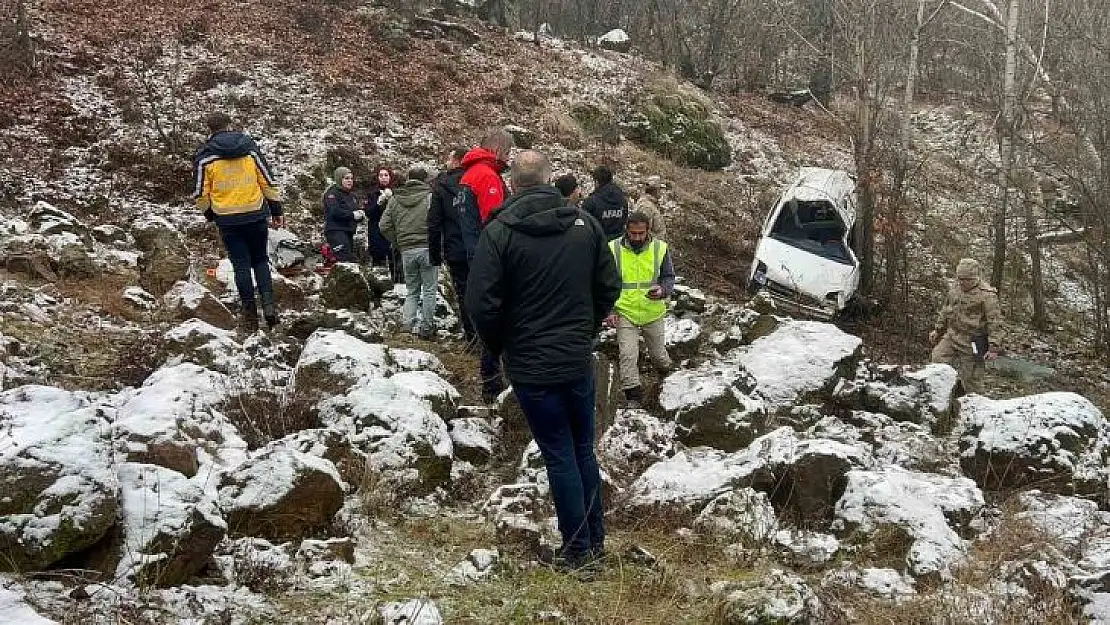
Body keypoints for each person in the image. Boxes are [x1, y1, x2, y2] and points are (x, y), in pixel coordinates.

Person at [466, 149, 621, 571]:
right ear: (550, 180)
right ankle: (593, 543)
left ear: (513, 183)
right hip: (574, 358)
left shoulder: (499, 232)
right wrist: (584, 328)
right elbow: (609, 285)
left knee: (560, 453)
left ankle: (578, 552)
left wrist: (500, 345)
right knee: (582, 450)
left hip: (533, 363)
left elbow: (481, 303)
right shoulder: (584, 225)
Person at [191, 112, 283, 332]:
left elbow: (200, 193)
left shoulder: (205, 156)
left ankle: (250, 314)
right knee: (260, 260)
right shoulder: (249, 147)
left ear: (209, 129)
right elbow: (267, 180)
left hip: (228, 218)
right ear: (230, 126)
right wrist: (276, 209)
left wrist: (210, 214)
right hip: (255, 212)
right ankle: (270, 309)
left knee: (240, 264)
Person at [459, 128, 514, 401]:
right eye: (508, 152)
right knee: (498, 320)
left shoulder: (467, 174)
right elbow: (496, 225)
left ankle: (492, 381)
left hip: (474, 257)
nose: (509, 158)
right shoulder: (486, 176)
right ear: (498, 150)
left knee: (488, 319)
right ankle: (494, 384)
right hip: (490, 261)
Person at [607, 211, 675, 406]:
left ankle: (666, 374)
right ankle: (633, 397)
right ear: (626, 230)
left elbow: (669, 277)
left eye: (641, 233)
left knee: (658, 355)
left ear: (648, 231)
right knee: (628, 354)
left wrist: (663, 290)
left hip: (652, 311)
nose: (637, 237)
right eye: (633, 233)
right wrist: (610, 310)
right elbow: (604, 282)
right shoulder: (613, 249)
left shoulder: (660, 249)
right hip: (625, 311)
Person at [929, 258, 1003, 394]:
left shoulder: (987, 295)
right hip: (952, 335)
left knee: (972, 380)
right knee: (937, 360)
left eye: (966, 279)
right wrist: (938, 329)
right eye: (960, 278)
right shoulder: (955, 289)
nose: (962, 282)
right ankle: (942, 395)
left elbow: (995, 322)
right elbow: (946, 309)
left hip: (972, 341)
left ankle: (976, 406)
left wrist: (993, 348)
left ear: (975, 278)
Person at [380, 167, 438, 339]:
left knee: (412, 290)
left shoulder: (395, 199)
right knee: (429, 290)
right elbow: (437, 223)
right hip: (427, 248)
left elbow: (383, 226)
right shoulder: (430, 198)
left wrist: (398, 242)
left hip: (407, 250)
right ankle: (426, 328)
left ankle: (407, 324)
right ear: (424, 180)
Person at [428, 147, 475, 343]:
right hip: (479, 246)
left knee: (464, 293)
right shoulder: (476, 181)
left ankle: (472, 337)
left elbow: (433, 223)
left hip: (455, 249)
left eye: (448, 158)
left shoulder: (442, 186)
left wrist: (435, 254)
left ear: (456, 161)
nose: (446, 162)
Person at [366, 166, 402, 282]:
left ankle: (398, 285)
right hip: (376, 232)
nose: (383, 178)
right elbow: (369, 213)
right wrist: (378, 202)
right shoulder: (372, 194)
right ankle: (378, 287)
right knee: (378, 262)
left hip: (393, 233)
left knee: (395, 262)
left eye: (386, 175)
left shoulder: (397, 193)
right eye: (381, 175)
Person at [322, 167, 364, 262]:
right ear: (339, 179)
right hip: (336, 231)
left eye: (351, 178)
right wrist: (352, 215)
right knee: (345, 259)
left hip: (349, 231)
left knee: (349, 260)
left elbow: (355, 211)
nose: (350, 181)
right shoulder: (332, 193)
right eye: (346, 178)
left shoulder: (352, 196)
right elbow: (334, 211)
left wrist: (360, 215)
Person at [581, 165, 628, 241]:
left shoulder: (591, 202)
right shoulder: (622, 199)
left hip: (598, 245)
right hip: (619, 244)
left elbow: (584, 226)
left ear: (596, 182)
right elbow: (624, 220)